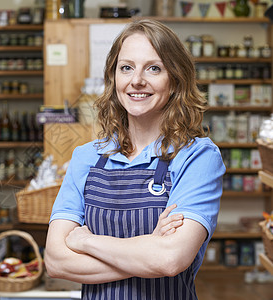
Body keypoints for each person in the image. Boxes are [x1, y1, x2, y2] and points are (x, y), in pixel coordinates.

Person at [44, 19, 226, 299]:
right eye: (126, 67)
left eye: (154, 68)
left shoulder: (197, 157)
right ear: (114, 77)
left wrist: (86, 241)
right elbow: (56, 261)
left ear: (175, 79)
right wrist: (150, 247)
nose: (136, 80)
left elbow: (170, 260)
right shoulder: (87, 157)